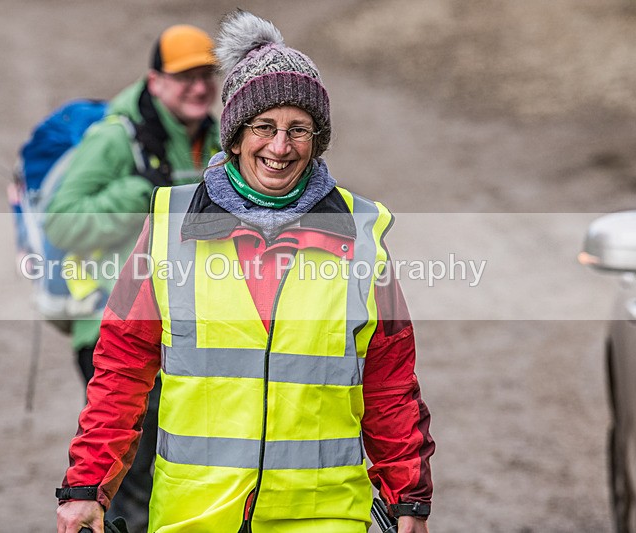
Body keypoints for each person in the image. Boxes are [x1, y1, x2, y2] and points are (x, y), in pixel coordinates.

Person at [56, 10, 434, 533]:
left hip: (322, 519)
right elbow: (121, 367)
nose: (279, 148)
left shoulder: (360, 234)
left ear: (317, 140)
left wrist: (407, 499)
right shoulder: (171, 226)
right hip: (196, 519)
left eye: (298, 129)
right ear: (235, 136)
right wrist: (86, 487)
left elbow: (390, 382)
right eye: (264, 127)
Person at [45, 23, 221, 532]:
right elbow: (60, 220)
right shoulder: (115, 139)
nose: (199, 86)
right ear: (154, 80)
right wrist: (140, 194)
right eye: (184, 76)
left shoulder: (214, 138)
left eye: (206, 74)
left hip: (187, 331)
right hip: (112, 327)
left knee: (183, 467)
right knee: (132, 473)